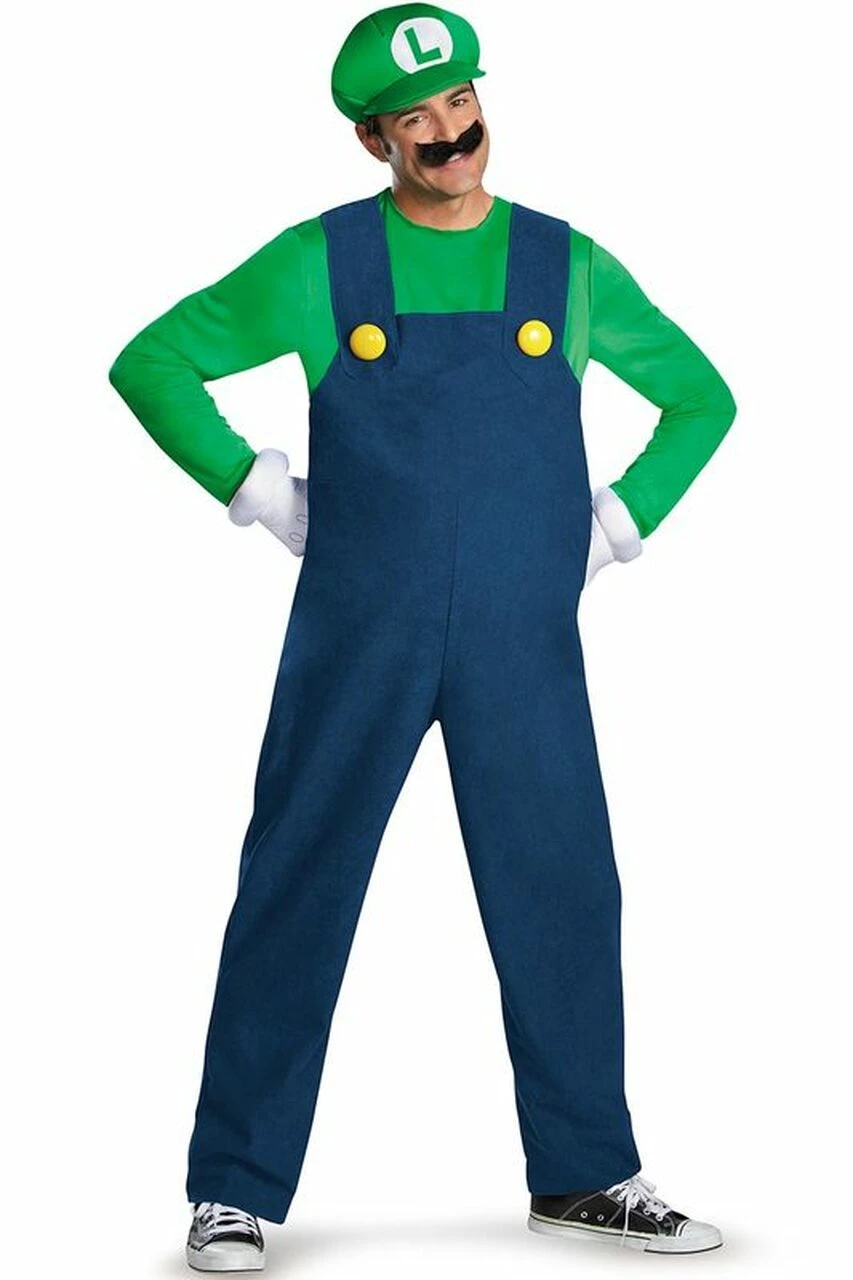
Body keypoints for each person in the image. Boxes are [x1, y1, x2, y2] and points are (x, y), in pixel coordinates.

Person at [108, 4, 736, 1270]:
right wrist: (258, 489)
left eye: (459, 102)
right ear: (374, 139)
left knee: (562, 881)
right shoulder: (319, 262)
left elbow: (701, 399)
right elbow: (151, 361)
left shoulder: (564, 264)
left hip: (521, 633)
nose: (449, 132)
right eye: (416, 118)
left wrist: (613, 526)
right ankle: (232, 1184)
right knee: (299, 875)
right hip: (360, 625)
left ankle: (585, 1168)